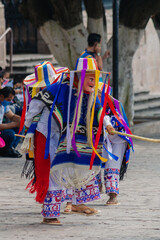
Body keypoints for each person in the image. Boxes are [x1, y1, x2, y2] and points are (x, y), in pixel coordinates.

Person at [23, 58, 114, 225]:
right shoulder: (60, 88)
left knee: (68, 169)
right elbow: (36, 103)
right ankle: (50, 214)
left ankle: (74, 204)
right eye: (90, 78)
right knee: (53, 171)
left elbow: (100, 112)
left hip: (65, 137)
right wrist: (28, 125)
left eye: (95, 79)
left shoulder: (88, 95)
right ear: (80, 76)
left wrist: (108, 126)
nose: (94, 82)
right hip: (47, 133)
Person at [96, 82, 133, 205]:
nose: (99, 96)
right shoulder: (92, 105)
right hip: (100, 139)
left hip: (118, 139)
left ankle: (113, 195)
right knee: (94, 164)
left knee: (112, 166)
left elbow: (122, 123)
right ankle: (96, 187)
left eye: (101, 94)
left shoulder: (115, 106)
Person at [0, 87, 22, 158]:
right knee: (10, 134)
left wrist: (18, 119)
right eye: (9, 100)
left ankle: (10, 148)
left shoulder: (4, 105)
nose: (10, 102)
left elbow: (11, 116)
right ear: (2, 96)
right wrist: (14, 124)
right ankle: (5, 150)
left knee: (21, 126)